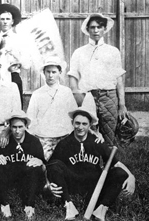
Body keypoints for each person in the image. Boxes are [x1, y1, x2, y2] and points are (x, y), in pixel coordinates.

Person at [46, 107, 135, 221]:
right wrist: (49, 185)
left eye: (84, 124)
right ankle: (68, 205)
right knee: (55, 164)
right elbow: (50, 166)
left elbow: (116, 163)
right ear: (72, 123)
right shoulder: (64, 143)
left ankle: (101, 209)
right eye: (77, 123)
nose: (80, 127)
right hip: (73, 183)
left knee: (119, 173)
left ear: (89, 125)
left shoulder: (97, 141)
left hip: (95, 184)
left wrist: (131, 176)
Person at [67, 13, 129, 146]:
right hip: (87, 97)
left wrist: (122, 105)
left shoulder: (113, 51)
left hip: (108, 97)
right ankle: (90, 164)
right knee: (88, 133)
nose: (96, 31)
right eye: (92, 27)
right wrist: (77, 96)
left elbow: (119, 80)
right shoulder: (79, 52)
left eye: (99, 27)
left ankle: (109, 165)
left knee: (109, 135)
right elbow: (73, 76)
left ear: (104, 29)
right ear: (87, 29)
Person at [0, 110, 44, 219]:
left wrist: (40, 161)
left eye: (20, 127)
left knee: (35, 167)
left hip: (27, 177)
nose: (17, 131)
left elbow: (43, 164)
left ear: (26, 126)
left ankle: (30, 205)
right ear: (10, 127)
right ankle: (4, 203)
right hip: (10, 175)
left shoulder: (34, 142)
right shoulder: (5, 141)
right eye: (14, 127)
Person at [27, 56, 78, 162]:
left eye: (54, 72)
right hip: (43, 139)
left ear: (60, 72)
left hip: (63, 137)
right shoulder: (37, 94)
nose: (50, 75)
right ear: (44, 73)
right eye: (48, 72)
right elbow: (30, 119)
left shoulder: (66, 92)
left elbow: (74, 116)